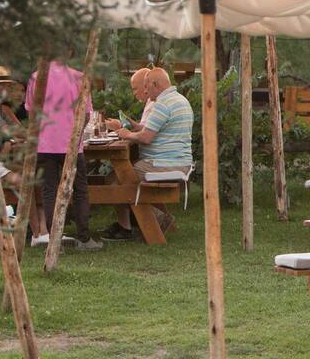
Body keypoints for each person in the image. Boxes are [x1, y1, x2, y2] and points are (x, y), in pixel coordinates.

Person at [26, 54, 102, 251]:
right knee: (80, 190)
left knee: (49, 190)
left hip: (45, 144)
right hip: (72, 143)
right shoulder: (79, 78)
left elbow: (32, 113)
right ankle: (84, 238)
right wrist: (76, 134)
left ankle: (54, 241)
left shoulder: (37, 78)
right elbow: (86, 114)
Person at [108, 66, 193, 239]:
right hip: (178, 163)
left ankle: (145, 224)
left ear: (155, 84)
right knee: (122, 176)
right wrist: (132, 126)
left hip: (163, 165)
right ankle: (153, 220)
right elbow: (150, 129)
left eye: (147, 86)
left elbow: (146, 138)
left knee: (120, 178)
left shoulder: (162, 104)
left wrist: (126, 134)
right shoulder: (179, 99)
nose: (145, 91)